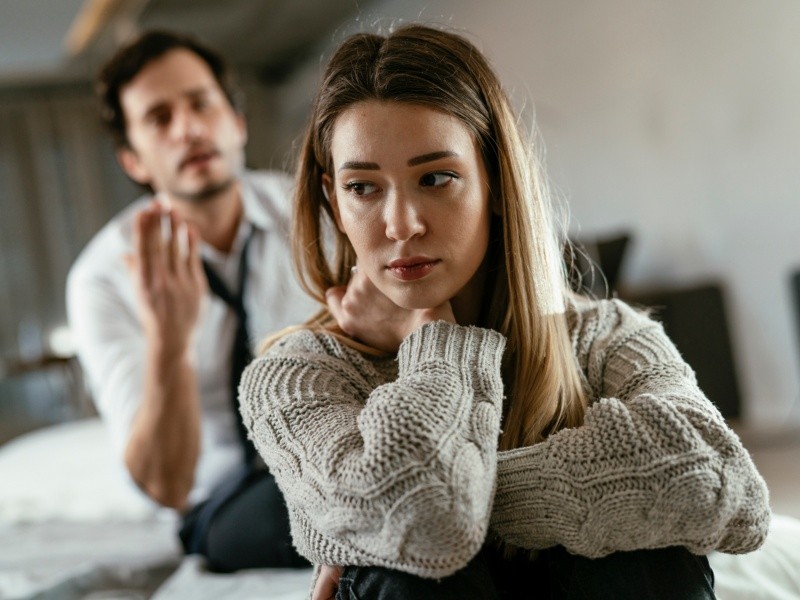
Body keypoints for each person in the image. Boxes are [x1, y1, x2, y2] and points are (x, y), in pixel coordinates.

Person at [238, 24, 771, 599]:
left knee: (650, 559)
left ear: (494, 180)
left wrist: (426, 500)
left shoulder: (605, 337)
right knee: (403, 571)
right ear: (333, 201)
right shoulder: (294, 376)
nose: (401, 225)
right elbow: (426, 531)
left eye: (435, 178)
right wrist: (435, 338)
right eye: (363, 188)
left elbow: (727, 489)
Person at [66, 30, 314, 572]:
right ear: (134, 161)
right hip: (221, 502)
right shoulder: (101, 279)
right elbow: (166, 484)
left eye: (202, 103)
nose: (189, 129)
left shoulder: (314, 216)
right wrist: (170, 341)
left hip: (332, 459)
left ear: (237, 121)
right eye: (159, 118)